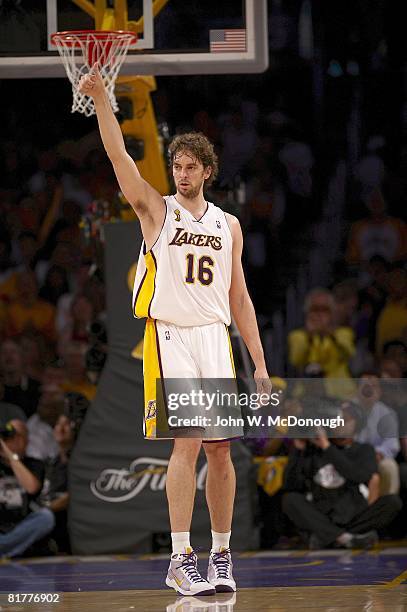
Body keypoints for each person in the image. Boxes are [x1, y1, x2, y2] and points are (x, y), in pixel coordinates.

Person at [78, 66, 270, 596]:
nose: (180, 173)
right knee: (186, 444)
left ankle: (221, 554)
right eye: (175, 165)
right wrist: (101, 101)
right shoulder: (156, 211)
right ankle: (180, 556)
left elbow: (240, 298)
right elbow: (120, 160)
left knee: (221, 451)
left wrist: (259, 363)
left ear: (207, 170)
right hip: (171, 337)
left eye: (189, 167)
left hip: (215, 337)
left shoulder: (227, 225)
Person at [282, 405, 402, 550]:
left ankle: (331, 538)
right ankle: (345, 538)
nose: (339, 422)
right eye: (336, 419)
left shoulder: (364, 450)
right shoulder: (313, 450)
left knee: (392, 502)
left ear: (357, 424)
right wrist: (298, 450)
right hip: (323, 514)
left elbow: (358, 475)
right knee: (290, 500)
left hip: (354, 514)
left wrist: (327, 447)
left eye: (345, 419)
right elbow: (290, 484)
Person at [0, 419, 55, 558]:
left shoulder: (34, 464)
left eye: (15, 435)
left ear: (25, 440)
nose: (9, 440)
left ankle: (5, 547)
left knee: (46, 517)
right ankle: (9, 549)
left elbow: (31, 487)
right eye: (6, 436)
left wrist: (11, 456)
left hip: (20, 526)